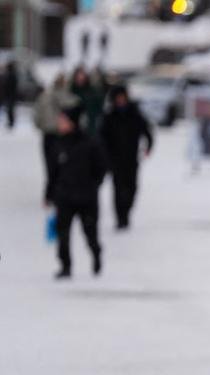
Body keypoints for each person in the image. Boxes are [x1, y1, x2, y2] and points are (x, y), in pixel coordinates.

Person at [49, 107, 108, 279]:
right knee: (63, 233)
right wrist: (49, 193)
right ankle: (65, 265)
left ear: (72, 123)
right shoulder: (57, 143)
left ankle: (96, 253)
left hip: (86, 197)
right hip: (64, 196)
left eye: (63, 120)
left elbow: (101, 166)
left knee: (90, 232)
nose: (60, 124)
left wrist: (94, 185)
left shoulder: (89, 142)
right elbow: (53, 172)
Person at [99, 85, 154, 230]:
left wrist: (149, 147)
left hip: (131, 158)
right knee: (118, 189)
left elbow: (147, 131)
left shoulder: (135, 114)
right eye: (118, 98)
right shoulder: (109, 116)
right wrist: (105, 156)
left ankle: (126, 212)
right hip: (114, 159)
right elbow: (102, 138)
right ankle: (120, 218)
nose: (121, 100)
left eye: (123, 97)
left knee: (132, 188)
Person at [34, 74, 80, 205]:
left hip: (55, 135)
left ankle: (54, 194)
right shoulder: (69, 98)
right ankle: (53, 194)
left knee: (55, 166)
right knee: (57, 166)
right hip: (56, 135)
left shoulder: (48, 97)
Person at [69, 66, 104, 137]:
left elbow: (99, 108)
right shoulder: (70, 92)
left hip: (91, 128)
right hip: (74, 131)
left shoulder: (92, 92)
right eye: (78, 76)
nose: (80, 78)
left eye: (82, 76)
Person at [2, 60, 18, 129]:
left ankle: (11, 122)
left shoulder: (11, 75)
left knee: (10, 110)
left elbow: (8, 85)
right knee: (10, 109)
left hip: (10, 95)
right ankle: (11, 122)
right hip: (11, 95)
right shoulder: (12, 74)